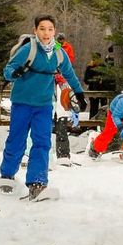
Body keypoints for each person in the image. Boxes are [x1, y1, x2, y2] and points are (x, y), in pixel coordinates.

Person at [0, 15, 87, 199]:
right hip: (22, 102)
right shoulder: (28, 49)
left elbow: (69, 74)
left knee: (42, 142)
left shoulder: (58, 51)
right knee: (17, 140)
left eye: (50, 29)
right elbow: (8, 70)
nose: (46, 33)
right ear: (35, 31)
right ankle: (7, 175)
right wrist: (14, 72)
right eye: (42, 29)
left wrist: (79, 94)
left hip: (44, 105)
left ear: (54, 31)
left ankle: (37, 183)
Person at [52, 34, 78, 163]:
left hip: (62, 87)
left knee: (61, 122)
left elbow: (69, 60)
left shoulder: (67, 48)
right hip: (48, 94)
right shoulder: (54, 48)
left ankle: (63, 155)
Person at [83, 52, 114, 119]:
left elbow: (107, 79)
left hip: (103, 90)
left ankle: (104, 125)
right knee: (93, 109)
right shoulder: (90, 67)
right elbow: (86, 80)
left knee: (104, 108)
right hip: (93, 90)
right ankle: (92, 126)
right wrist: (94, 80)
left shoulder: (103, 67)